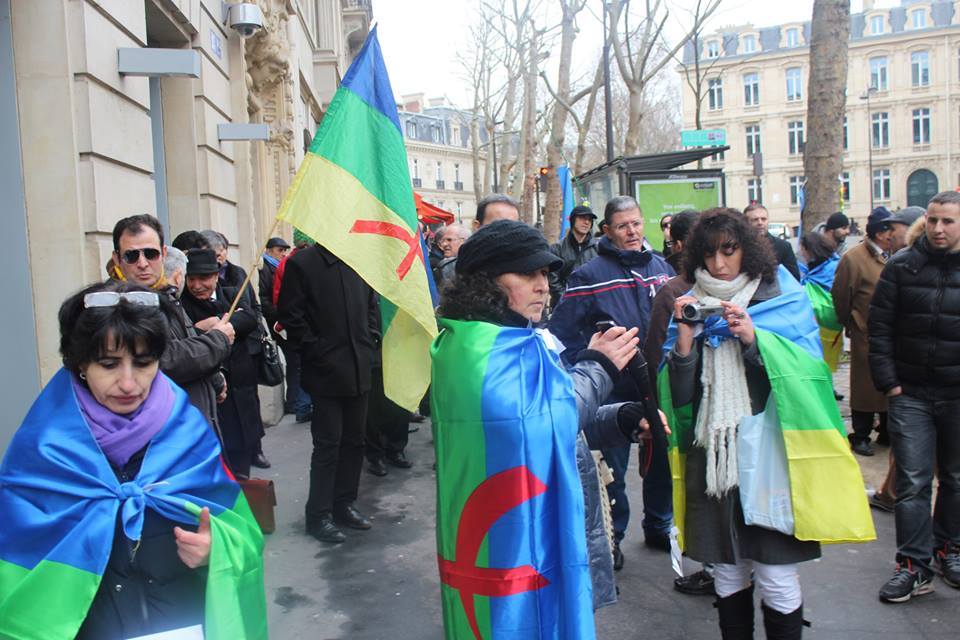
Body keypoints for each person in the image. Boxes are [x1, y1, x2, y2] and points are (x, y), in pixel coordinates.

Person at [0, 281, 265, 639]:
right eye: (109, 364)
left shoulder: (189, 436)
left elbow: (243, 533)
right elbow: (14, 575)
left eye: (144, 362)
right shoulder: (41, 452)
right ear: (79, 363)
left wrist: (215, 552)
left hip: (181, 623)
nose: (129, 383)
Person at [432, 219, 652, 636]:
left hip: (534, 538)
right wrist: (600, 364)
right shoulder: (478, 351)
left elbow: (556, 430)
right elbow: (549, 418)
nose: (542, 286)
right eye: (527, 274)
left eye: (545, 275)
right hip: (507, 549)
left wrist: (623, 418)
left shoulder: (520, 339)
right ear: (486, 282)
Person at [664, 209, 873, 639]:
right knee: (726, 571)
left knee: (777, 576)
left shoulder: (782, 298)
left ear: (747, 250)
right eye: (710, 253)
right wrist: (685, 344)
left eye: (729, 250)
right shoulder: (689, 304)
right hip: (714, 459)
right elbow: (682, 399)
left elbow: (807, 378)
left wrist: (755, 341)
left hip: (773, 455)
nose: (720, 264)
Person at [550, 194, 675, 568]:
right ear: (607, 231)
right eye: (623, 226)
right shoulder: (588, 275)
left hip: (657, 388)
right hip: (611, 394)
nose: (632, 231)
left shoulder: (662, 268)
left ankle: (659, 524)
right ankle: (613, 538)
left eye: (636, 223)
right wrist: (590, 370)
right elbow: (563, 334)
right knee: (613, 474)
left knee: (661, 464)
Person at [869, 190, 960, 603]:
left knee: (956, 479)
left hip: (955, 394)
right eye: (935, 220)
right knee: (913, 481)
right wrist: (890, 382)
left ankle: (949, 549)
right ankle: (913, 565)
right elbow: (880, 327)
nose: (940, 229)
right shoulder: (902, 266)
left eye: (949, 222)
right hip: (911, 394)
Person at [277, 239, 378, 544]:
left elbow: (372, 308)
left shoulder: (360, 259)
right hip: (325, 373)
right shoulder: (302, 264)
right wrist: (316, 351)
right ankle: (318, 515)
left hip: (359, 368)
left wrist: (370, 340)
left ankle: (344, 503)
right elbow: (291, 317)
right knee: (328, 446)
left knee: (355, 442)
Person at [110, 215, 233, 429]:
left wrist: (214, 379)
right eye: (131, 256)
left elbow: (183, 340)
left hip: (193, 425)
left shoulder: (167, 296)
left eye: (151, 254)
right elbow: (162, 360)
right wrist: (218, 340)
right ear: (117, 258)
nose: (142, 263)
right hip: (161, 433)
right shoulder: (115, 306)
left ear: (163, 254)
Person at [180, 249, 265, 479]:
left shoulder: (231, 295)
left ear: (216, 276)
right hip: (212, 399)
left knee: (242, 469)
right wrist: (200, 329)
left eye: (204, 278)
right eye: (192, 279)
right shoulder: (182, 308)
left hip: (241, 394)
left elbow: (249, 318)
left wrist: (219, 323)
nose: (197, 285)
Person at [832, 207, 894, 457]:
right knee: (865, 387)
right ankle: (861, 434)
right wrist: (851, 322)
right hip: (865, 332)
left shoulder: (895, 255)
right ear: (880, 233)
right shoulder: (854, 258)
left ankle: (887, 430)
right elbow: (841, 296)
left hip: (892, 335)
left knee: (889, 384)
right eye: (891, 230)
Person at [259, 236, 297, 412]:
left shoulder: (276, 267)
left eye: (284, 250)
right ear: (269, 250)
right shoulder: (266, 268)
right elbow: (265, 298)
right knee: (293, 359)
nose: (283, 254)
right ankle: (293, 401)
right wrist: (281, 315)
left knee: (293, 360)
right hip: (277, 322)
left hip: (280, 320)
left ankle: (293, 400)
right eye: (279, 250)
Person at [798, 232, 843, 373]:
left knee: (821, 357)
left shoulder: (830, 268)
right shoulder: (827, 265)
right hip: (828, 321)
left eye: (802, 249)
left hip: (825, 319)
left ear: (808, 249)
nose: (801, 253)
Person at [549, 204, 600, 305]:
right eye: (582, 218)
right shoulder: (557, 248)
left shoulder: (598, 248)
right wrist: (569, 301)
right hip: (564, 306)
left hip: (592, 307)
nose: (586, 222)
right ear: (572, 220)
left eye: (589, 219)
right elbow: (553, 281)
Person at [743, 203, 800, 281]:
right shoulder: (740, 247)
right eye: (755, 220)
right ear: (746, 223)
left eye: (763, 219)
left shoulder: (783, 247)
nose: (760, 223)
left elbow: (793, 278)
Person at [433, 222, 471, 288]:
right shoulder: (443, 268)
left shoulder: (476, 264)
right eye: (443, 241)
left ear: (463, 241)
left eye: (449, 240)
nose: (444, 244)